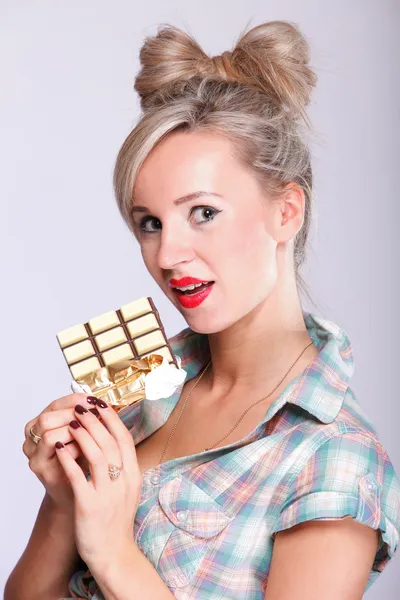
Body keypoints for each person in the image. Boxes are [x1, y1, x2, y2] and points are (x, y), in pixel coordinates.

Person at [6, 20, 400, 600]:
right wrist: (68, 503)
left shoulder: (334, 458)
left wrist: (114, 551)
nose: (168, 254)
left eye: (204, 213)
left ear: (286, 212)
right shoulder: (134, 385)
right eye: (149, 223)